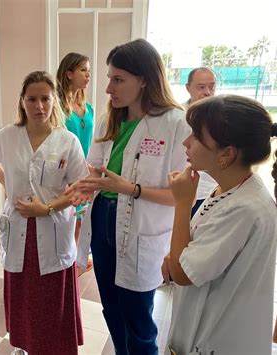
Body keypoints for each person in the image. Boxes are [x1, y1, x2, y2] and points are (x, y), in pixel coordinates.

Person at [71, 39, 190, 354]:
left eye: (118, 79)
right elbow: (96, 171)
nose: (109, 88)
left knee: (138, 317)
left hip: (142, 230)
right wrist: (85, 186)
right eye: (109, 78)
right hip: (103, 220)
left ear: (145, 79)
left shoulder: (175, 123)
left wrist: (132, 190)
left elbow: (181, 196)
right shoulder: (111, 119)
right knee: (111, 308)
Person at [0, 71, 88, 355]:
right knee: (24, 298)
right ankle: (27, 347)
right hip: (18, 232)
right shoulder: (8, 136)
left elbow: (81, 187)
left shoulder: (67, 141)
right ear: (22, 102)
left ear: (55, 102)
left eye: (45, 99)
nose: (39, 106)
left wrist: (47, 207)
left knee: (51, 300)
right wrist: (7, 182)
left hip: (53, 232)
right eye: (32, 99)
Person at [164, 95, 277, 355]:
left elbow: (182, 274)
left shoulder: (244, 208)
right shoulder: (229, 189)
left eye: (195, 136)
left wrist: (182, 204)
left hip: (218, 339)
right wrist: (174, 255)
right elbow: (197, 247)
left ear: (226, 154)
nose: (186, 142)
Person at [56, 52, 94, 273]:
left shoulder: (87, 107)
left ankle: (74, 261)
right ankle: (62, 260)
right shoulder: (58, 108)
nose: (88, 75)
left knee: (81, 217)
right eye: (83, 70)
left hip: (86, 171)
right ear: (69, 74)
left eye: (89, 70)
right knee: (66, 215)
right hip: (65, 171)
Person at [183, 67, 218, 216]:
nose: (207, 92)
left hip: (211, 189)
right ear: (188, 88)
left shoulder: (221, 116)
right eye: (201, 87)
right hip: (184, 187)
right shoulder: (178, 116)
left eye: (212, 86)